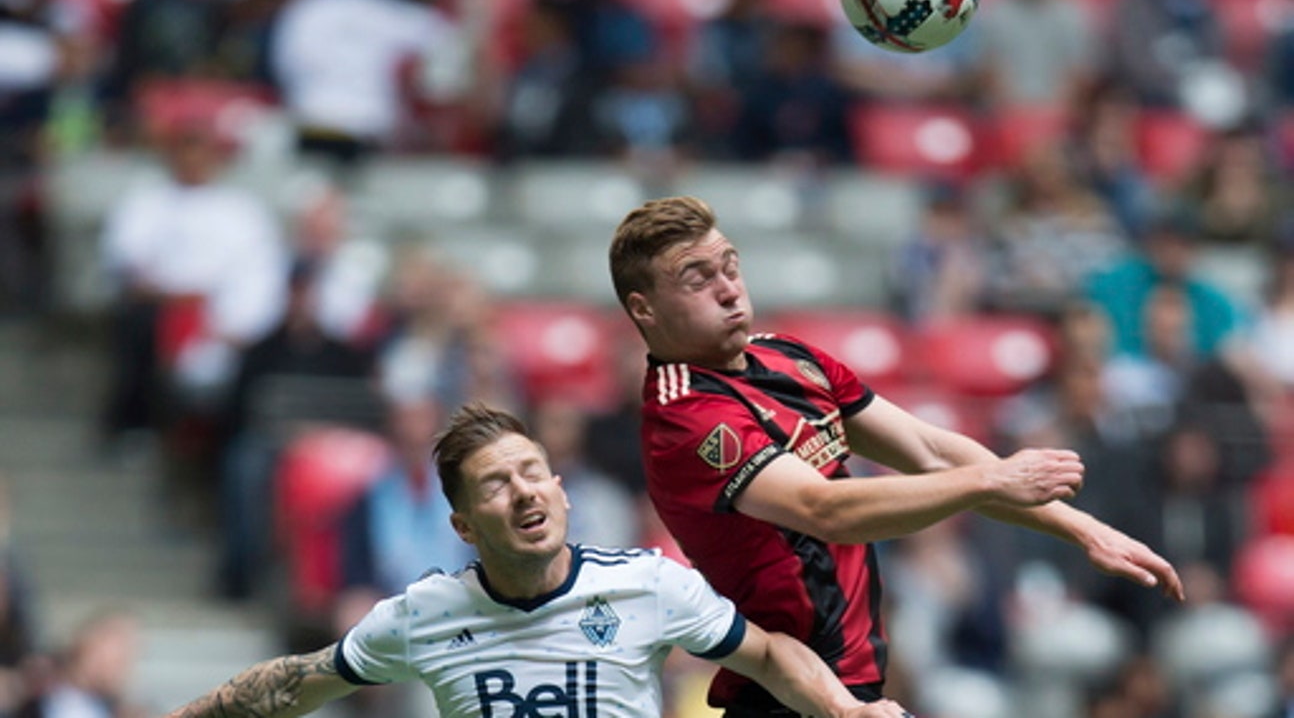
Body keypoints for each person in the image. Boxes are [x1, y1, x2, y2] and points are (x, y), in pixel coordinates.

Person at [606, 195, 1185, 715]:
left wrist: (1083, 530)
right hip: (784, 698)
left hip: (857, 687)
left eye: (730, 265)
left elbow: (929, 451)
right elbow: (824, 508)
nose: (728, 288)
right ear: (645, 310)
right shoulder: (684, 417)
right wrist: (988, 482)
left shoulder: (787, 357)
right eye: (696, 278)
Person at [161, 403, 913, 718]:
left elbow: (773, 655)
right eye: (496, 484)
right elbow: (298, 683)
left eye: (532, 472)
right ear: (462, 524)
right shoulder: (423, 614)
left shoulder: (646, 585)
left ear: (561, 490)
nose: (524, 492)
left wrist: (846, 709)